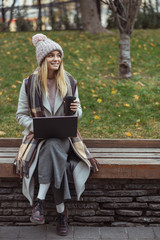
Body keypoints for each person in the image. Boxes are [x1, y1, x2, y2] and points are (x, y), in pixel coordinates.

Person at [16, 33, 98, 236]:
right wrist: (36, 126)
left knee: (55, 145)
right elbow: (21, 116)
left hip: (65, 139)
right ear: (42, 60)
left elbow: (77, 116)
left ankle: (40, 201)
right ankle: (62, 213)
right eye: (51, 55)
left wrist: (77, 108)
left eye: (58, 55)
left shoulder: (69, 81)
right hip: (39, 140)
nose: (56, 59)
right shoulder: (29, 84)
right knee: (52, 150)